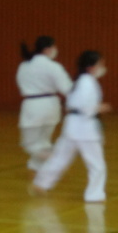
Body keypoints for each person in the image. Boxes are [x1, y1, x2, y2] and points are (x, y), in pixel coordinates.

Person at [32, 50, 110, 203]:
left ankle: (41, 183)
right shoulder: (88, 82)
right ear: (91, 67)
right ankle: (94, 195)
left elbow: (72, 104)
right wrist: (100, 107)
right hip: (85, 129)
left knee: (60, 158)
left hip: (72, 127)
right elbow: (86, 107)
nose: (102, 67)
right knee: (96, 165)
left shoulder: (79, 81)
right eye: (100, 64)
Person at [17, 36, 73, 171]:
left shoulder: (24, 65)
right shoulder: (53, 66)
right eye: (54, 47)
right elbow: (67, 89)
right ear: (47, 49)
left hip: (33, 105)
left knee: (28, 144)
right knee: (43, 142)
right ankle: (38, 173)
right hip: (52, 105)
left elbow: (20, 83)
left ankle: (55, 157)